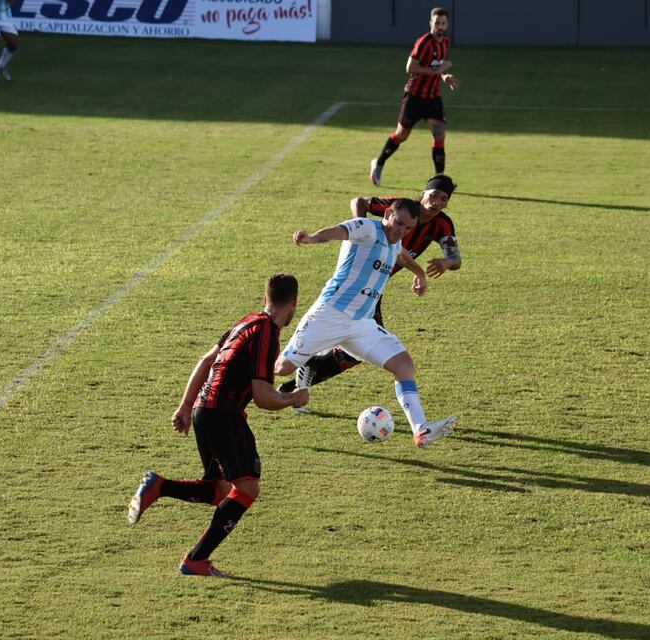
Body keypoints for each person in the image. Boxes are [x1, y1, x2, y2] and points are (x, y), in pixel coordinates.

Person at [127, 273, 310, 578]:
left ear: (265, 298)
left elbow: (206, 359)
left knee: (220, 490)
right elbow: (263, 397)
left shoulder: (246, 322)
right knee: (247, 488)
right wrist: (294, 398)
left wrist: (186, 405)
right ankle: (195, 560)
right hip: (225, 413)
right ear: (293, 304)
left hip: (204, 410)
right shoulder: (267, 332)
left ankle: (159, 487)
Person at [274, 198, 456, 448]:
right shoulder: (367, 228)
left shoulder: (395, 241)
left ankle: (421, 430)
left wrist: (420, 273)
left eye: (407, 228)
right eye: (399, 223)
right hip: (330, 315)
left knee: (404, 365)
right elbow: (337, 231)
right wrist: (311, 238)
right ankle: (236, 365)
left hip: (362, 325)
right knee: (282, 368)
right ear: (388, 214)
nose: (401, 231)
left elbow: (401, 255)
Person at [369, 7, 460, 187]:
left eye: (443, 23)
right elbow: (410, 68)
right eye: (437, 23)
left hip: (433, 96)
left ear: (447, 24)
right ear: (431, 23)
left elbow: (437, 66)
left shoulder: (445, 42)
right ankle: (378, 163)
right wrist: (438, 71)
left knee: (439, 133)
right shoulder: (424, 42)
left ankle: (439, 178)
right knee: (401, 135)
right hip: (415, 96)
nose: (440, 26)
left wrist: (444, 76)